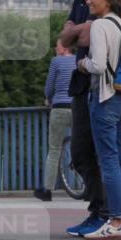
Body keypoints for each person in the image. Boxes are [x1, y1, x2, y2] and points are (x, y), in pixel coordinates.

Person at [76, 0, 121, 240]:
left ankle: (112, 221)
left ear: (107, 0)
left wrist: (82, 64)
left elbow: (98, 65)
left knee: (108, 160)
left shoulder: (100, 25)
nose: (88, 1)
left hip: (105, 98)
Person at [58, 0, 109, 236]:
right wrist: (77, 31)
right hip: (80, 84)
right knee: (80, 153)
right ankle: (100, 212)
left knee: (99, 153)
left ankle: (104, 214)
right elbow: (65, 39)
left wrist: (75, 30)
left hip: (99, 83)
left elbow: (87, 34)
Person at [34, 40, 76, 202]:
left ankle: (47, 191)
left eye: (57, 45)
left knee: (54, 150)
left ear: (64, 47)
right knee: (84, 148)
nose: (55, 48)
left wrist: (48, 99)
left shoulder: (56, 61)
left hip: (59, 108)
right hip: (77, 108)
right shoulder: (79, 59)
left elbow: (49, 86)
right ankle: (89, 187)